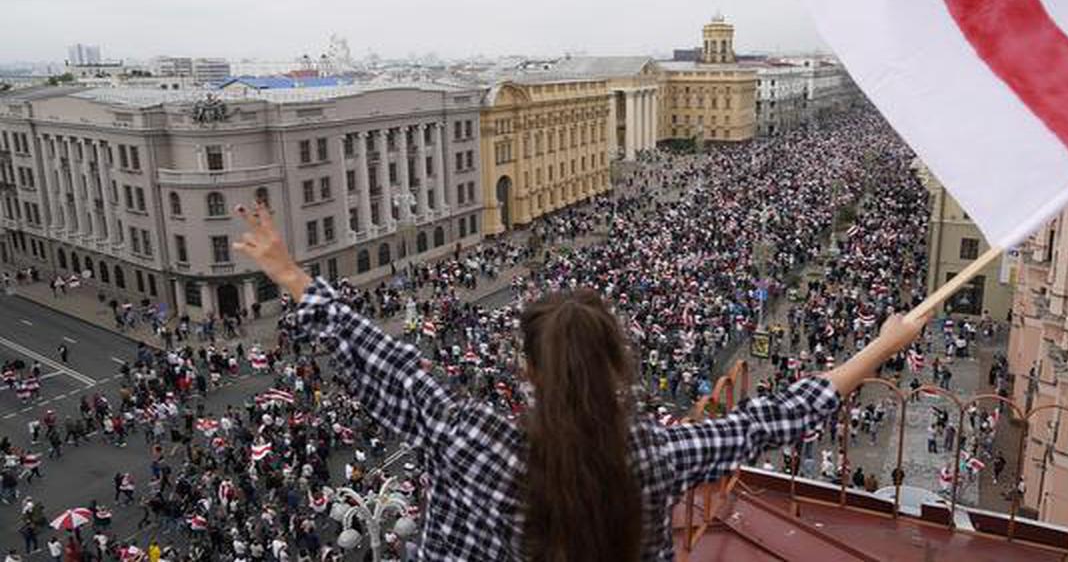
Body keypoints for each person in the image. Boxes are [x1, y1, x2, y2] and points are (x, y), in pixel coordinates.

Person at [232, 201, 929, 560]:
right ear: (616, 364)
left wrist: (290, 274)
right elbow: (776, 416)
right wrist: (883, 344)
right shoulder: (653, 454)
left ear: (528, 367)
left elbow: (382, 360)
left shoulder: (468, 435)